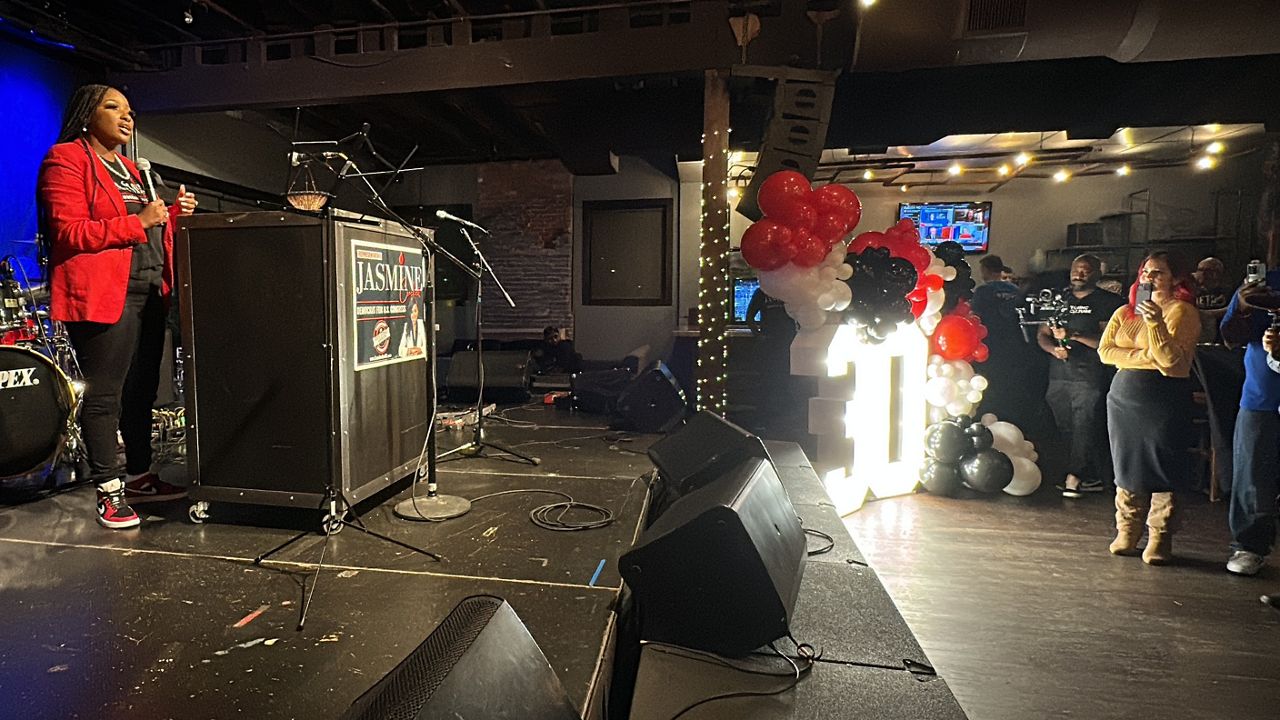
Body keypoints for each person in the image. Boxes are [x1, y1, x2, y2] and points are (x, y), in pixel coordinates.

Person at [37, 85, 198, 529]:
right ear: (88, 114)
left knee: (143, 391)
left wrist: (174, 214)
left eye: (130, 110)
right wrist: (139, 220)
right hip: (105, 293)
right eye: (113, 108)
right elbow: (69, 232)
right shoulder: (66, 159)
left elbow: (153, 230)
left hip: (149, 290)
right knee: (105, 395)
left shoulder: (134, 169)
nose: (126, 118)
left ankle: (140, 476)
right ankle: (109, 491)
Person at [1098, 251, 1200, 565]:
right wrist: (1146, 359)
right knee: (1127, 464)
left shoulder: (1182, 312)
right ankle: (1127, 530)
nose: (1149, 277)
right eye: (1145, 271)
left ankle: (1159, 536)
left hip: (1164, 399)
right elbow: (1105, 352)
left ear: (1176, 278)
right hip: (1124, 398)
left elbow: (1171, 363)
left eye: (1158, 272)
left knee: (1163, 465)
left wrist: (1155, 324)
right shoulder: (1124, 313)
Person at [1038, 255, 1125, 497]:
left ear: (1097, 274)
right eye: (1076, 270)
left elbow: (1108, 341)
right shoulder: (1059, 300)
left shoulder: (1109, 302)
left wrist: (1074, 335)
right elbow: (1042, 334)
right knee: (1064, 426)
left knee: (1084, 425)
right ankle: (1080, 473)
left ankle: (1075, 477)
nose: (1079, 274)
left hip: (1089, 375)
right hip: (1058, 375)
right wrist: (1053, 349)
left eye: (1086, 271)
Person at [1218, 272, 1280, 575]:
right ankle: (1249, 546)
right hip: (1261, 396)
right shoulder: (1261, 284)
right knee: (1253, 477)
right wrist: (1242, 307)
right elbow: (1230, 338)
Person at [1194, 256, 1232, 344]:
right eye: (1200, 270)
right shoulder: (1191, 289)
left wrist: (1209, 314)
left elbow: (1233, 308)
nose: (1202, 273)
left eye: (1208, 270)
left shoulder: (1228, 290)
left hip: (1221, 336)